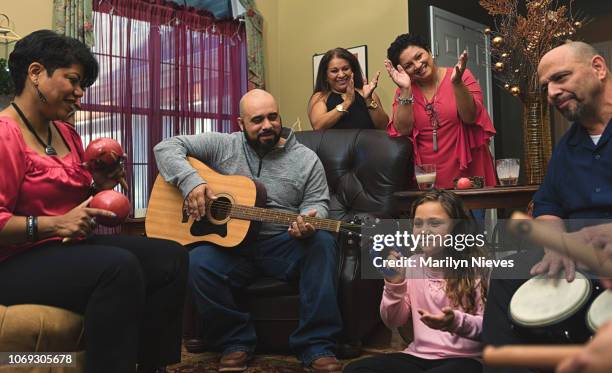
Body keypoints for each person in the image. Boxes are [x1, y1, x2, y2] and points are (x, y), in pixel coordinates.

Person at [0, 30, 188, 373]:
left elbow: (66, 201)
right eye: (73, 80)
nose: (80, 93)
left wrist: (97, 186)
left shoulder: (66, 133)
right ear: (36, 72)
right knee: (118, 267)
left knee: (171, 258)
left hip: (65, 248)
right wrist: (54, 224)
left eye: (83, 84)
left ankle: (151, 365)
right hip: (14, 261)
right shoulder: (5, 134)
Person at [154, 89, 343, 373]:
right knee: (198, 262)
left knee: (323, 242)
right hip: (230, 247)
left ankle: (316, 345)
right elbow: (165, 147)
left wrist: (309, 220)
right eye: (257, 120)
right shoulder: (223, 145)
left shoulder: (306, 159)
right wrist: (191, 182)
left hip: (282, 243)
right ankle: (235, 341)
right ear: (240, 124)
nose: (267, 125)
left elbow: (317, 201)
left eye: (272, 117)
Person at [482, 41, 612, 373]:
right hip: (581, 259)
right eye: (546, 87)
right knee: (506, 274)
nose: (552, 92)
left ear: (598, 68)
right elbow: (548, 203)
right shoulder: (568, 147)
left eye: (561, 77)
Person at [344, 189, 488, 373]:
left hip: (465, 360)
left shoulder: (477, 268)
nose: (424, 231)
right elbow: (393, 321)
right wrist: (395, 284)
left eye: (435, 223)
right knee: (357, 369)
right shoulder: (412, 264)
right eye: (418, 224)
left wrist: (455, 323)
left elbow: (489, 328)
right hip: (418, 356)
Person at [384, 34, 496, 189]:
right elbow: (403, 130)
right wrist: (405, 90)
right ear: (402, 70)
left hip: (467, 172)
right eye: (409, 65)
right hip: (427, 177)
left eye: (419, 56)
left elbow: (470, 117)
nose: (417, 65)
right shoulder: (404, 90)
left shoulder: (461, 76)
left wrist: (457, 83)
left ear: (429, 51)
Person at [308, 47, 388, 130]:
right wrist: (347, 102)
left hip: (368, 142)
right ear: (325, 76)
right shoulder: (320, 97)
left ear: (352, 70)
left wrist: (368, 99)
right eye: (334, 71)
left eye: (345, 69)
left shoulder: (367, 94)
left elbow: (384, 127)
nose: (341, 75)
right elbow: (318, 126)